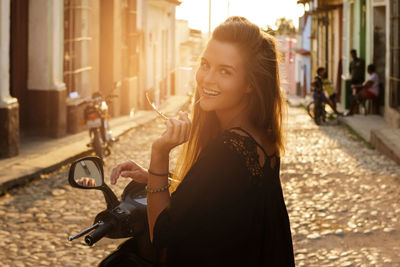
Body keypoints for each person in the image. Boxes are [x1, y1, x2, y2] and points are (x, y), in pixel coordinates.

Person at [110, 16, 294, 266]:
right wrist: (156, 178)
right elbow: (221, 195)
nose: (207, 79)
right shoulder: (261, 136)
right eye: (205, 64)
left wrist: (160, 152)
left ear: (250, 84)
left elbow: (162, 235)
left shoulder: (227, 149)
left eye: (225, 71)